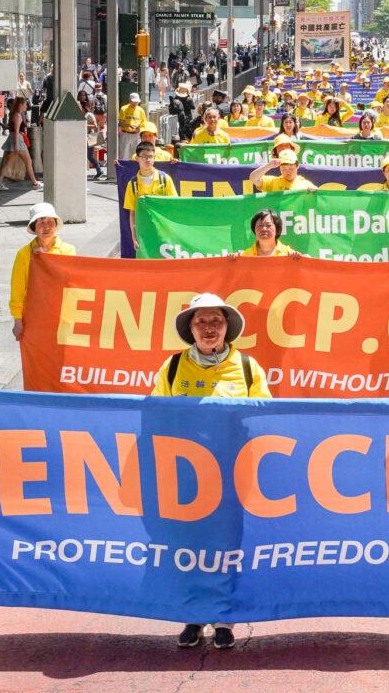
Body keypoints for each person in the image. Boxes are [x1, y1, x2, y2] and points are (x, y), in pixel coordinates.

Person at [152, 293, 272, 651]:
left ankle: (223, 619)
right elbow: (156, 414)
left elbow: (264, 416)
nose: (208, 328)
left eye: (215, 322)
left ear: (227, 328)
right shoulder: (171, 368)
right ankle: (192, 617)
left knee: (227, 548)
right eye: (200, 322)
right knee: (186, 547)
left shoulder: (248, 367)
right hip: (186, 478)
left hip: (233, 475)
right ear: (190, 328)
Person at [9, 203, 76, 341]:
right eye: (41, 222)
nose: (46, 227)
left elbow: (71, 283)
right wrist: (17, 321)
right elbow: (17, 291)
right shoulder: (23, 255)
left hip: (62, 317)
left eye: (50, 222)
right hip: (34, 318)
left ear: (56, 225)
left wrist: (45, 259)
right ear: (34, 226)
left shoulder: (68, 251)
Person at [125, 141, 178, 254]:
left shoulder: (165, 179)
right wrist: (134, 237)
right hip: (143, 233)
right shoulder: (133, 184)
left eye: (150, 156)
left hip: (165, 230)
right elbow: (132, 213)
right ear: (137, 158)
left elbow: (174, 205)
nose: (147, 160)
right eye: (144, 156)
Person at [0, 98, 41, 191]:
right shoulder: (18, 115)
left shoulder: (14, 114)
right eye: (25, 104)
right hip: (18, 140)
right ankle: (35, 183)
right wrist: (16, 145)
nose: (26, 106)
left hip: (15, 139)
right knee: (27, 161)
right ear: (20, 105)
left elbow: (12, 128)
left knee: (9, 163)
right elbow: (16, 131)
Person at [249, 150, 317, 192]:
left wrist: (315, 191)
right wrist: (268, 165)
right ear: (279, 168)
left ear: (297, 166)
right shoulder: (272, 182)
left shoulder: (305, 184)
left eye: (291, 168)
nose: (288, 172)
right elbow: (253, 178)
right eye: (284, 169)